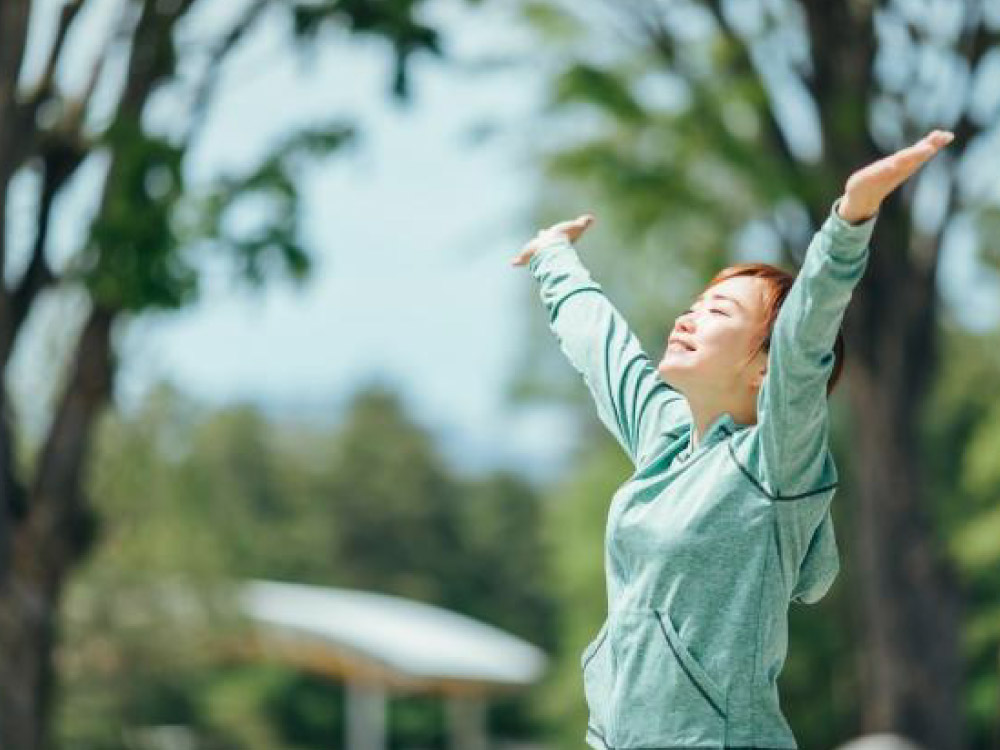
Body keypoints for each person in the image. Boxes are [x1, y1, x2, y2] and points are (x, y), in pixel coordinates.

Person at [510, 130, 954, 750]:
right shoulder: (664, 441)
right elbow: (603, 352)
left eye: (718, 313)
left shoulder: (773, 466)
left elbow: (805, 338)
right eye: (694, 305)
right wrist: (555, 256)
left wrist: (850, 220)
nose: (688, 318)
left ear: (765, 365)